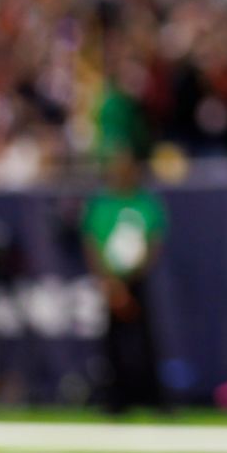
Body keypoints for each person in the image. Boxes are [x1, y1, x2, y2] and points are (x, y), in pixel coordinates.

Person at [82, 149, 167, 412]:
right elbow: (91, 243)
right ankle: (115, 399)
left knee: (146, 341)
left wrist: (133, 276)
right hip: (111, 282)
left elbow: (153, 241)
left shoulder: (145, 202)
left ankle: (153, 397)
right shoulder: (101, 203)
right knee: (112, 343)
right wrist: (111, 282)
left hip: (138, 281)